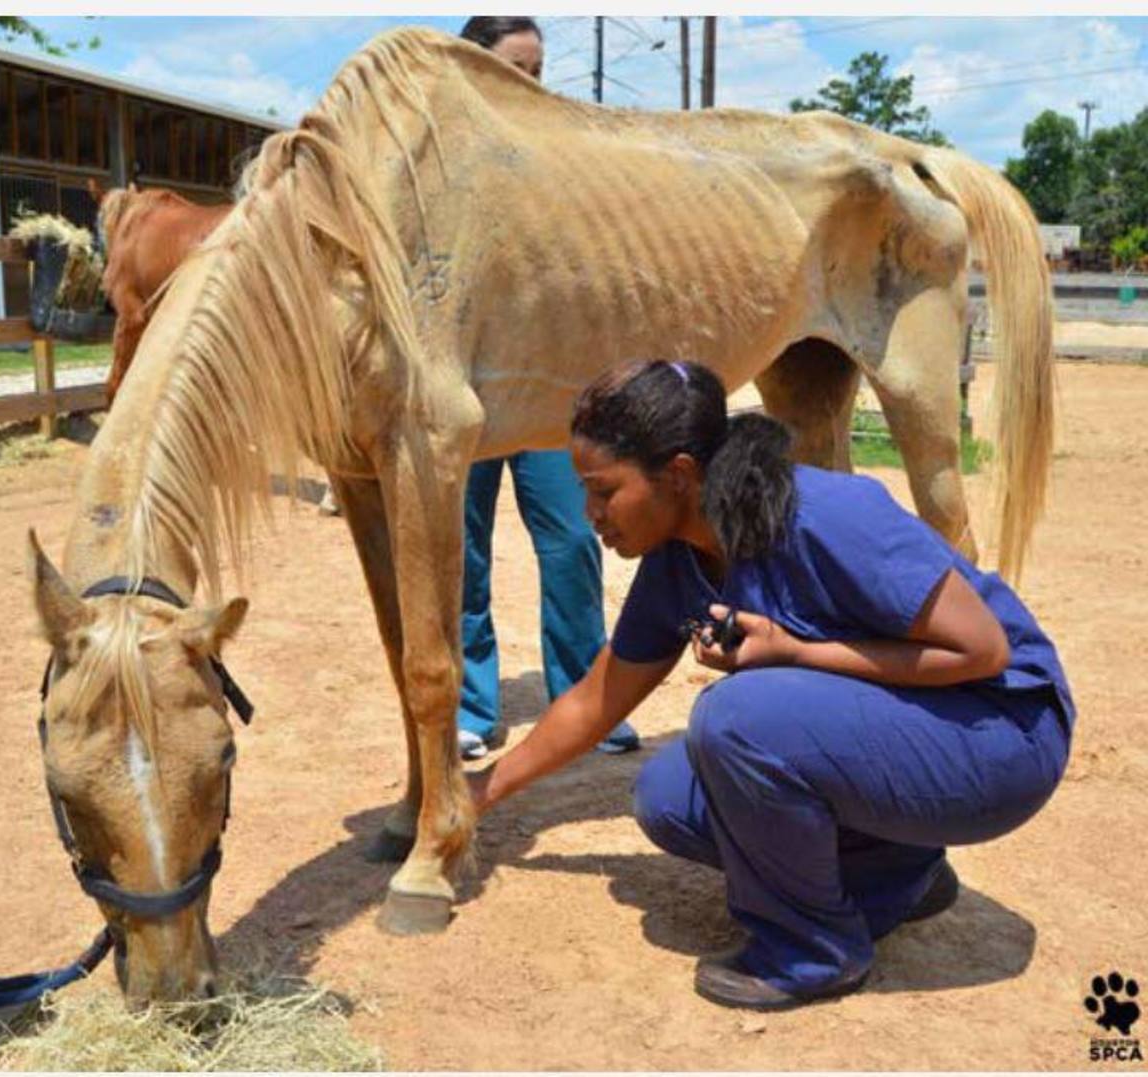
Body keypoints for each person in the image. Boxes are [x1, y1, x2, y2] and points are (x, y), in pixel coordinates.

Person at [468, 359, 1074, 1010]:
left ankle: (814, 948)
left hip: (1003, 733)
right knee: (669, 796)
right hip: (929, 732)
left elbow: (982, 649)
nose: (592, 513)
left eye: (604, 490)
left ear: (677, 474)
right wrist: (474, 793)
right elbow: (596, 700)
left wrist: (794, 651)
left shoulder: (824, 514)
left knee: (736, 717)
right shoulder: (677, 556)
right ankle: (898, 872)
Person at [453, 15, 639, 760]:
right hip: (462, 391)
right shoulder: (447, 165)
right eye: (515, 70)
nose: (532, 86)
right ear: (473, 67)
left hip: (547, 392)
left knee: (571, 543)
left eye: (538, 71)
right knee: (460, 554)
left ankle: (582, 698)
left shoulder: (561, 166)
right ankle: (474, 703)